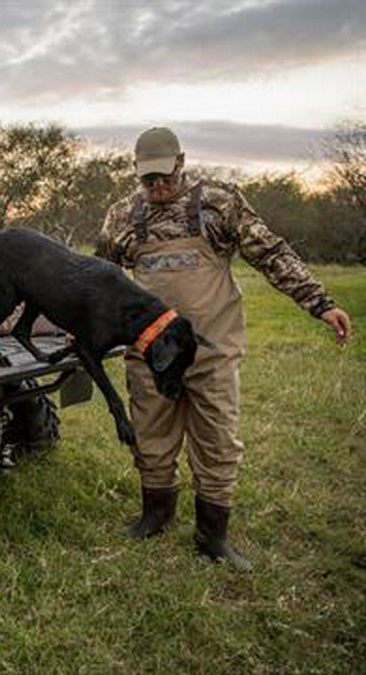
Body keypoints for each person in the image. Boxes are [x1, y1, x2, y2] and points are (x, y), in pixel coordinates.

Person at [96, 127, 352, 571]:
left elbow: (271, 253)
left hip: (211, 352)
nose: (157, 187)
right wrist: (82, 329)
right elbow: (100, 281)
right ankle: (155, 517)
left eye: (164, 177)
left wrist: (320, 303)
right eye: (147, 179)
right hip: (149, 354)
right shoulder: (122, 214)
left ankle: (212, 537)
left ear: (181, 162)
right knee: (151, 439)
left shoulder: (219, 203)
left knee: (216, 441)